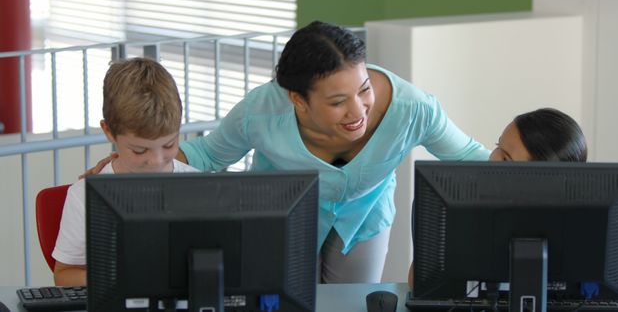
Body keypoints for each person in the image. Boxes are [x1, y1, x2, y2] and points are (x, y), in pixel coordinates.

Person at [89, 21, 490, 283]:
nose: (358, 110)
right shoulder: (260, 112)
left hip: (364, 218)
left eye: (363, 88)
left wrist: (540, 171)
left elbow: (474, 159)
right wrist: (134, 162)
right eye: (337, 101)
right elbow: (210, 154)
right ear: (298, 99)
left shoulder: (414, 109)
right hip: (277, 216)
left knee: (347, 307)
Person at [52, 57, 198, 286]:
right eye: (140, 150)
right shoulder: (84, 196)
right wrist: (126, 280)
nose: (156, 161)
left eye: (169, 145)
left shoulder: (201, 187)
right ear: (108, 131)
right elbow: (64, 275)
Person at [407, 107, 588, 289]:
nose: (493, 158)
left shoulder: (583, 225)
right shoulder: (453, 203)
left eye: (506, 159)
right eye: (498, 147)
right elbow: (421, 284)